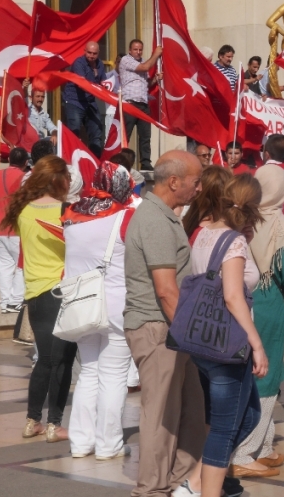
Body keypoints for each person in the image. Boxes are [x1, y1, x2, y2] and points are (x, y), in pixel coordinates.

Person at [177, 173, 266, 497]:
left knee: (249, 414)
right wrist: (257, 344)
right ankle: (203, 490)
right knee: (225, 429)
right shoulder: (234, 241)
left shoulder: (203, 231)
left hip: (202, 337)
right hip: (227, 342)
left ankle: (196, 482)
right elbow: (232, 295)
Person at [123, 151, 206, 497]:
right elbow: (166, 290)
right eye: (195, 181)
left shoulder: (164, 216)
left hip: (171, 330)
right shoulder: (155, 220)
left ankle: (182, 481)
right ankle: (152, 489)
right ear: (174, 182)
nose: (199, 188)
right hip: (159, 329)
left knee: (189, 409)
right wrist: (194, 337)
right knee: (160, 416)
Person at [230, 165, 284, 477]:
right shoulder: (280, 225)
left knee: (252, 372)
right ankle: (245, 453)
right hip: (268, 302)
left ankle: (264, 446)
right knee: (268, 373)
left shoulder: (238, 218)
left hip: (240, 299)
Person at [64, 162, 135, 460]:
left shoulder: (72, 215)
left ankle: (80, 443)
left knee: (89, 372)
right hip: (117, 305)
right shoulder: (126, 217)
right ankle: (109, 445)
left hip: (81, 303)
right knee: (114, 375)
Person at [2, 155, 75, 441]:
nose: (70, 181)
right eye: (67, 176)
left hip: (34, 293)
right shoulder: (65, 211)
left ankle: (33, 421)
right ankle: (55, 424)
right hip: (61, 290)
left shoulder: (22, 211)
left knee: (44, 359)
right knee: (63, 360)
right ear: (57, 179)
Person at [0, 148, 27, 313]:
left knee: (5, 267)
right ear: (26, 162)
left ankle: (5, 303)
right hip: (17, 230)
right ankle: (15, 301)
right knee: (22, 266)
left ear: (9, 159)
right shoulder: (24, 178)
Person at [118, 39, 164, 171]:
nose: (138, 52)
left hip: (143, 103)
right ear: (130, 50)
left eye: (140, 49)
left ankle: (145, 162)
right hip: (129, 103)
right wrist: (156, 54)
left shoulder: (143, 61)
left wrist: (155, 79)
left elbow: (145, 84)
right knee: (126, 136)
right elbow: (145, 67)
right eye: (135, 49)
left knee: (145, 136)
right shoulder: (126, 60)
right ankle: (123, 163)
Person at [64, 41, 107, 156]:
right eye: (89, 53)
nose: (91, 56)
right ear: (84, 51)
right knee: (75, 131)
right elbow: (82, 84)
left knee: (97, 130)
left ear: (98, 53)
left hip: (90, 102)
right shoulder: (79, 62)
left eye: (94, 53)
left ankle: (95, 162)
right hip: (75, 101)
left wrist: (106, 87)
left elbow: (105, 82)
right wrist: (99, 88)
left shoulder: (100, 65)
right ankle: (72, 161)